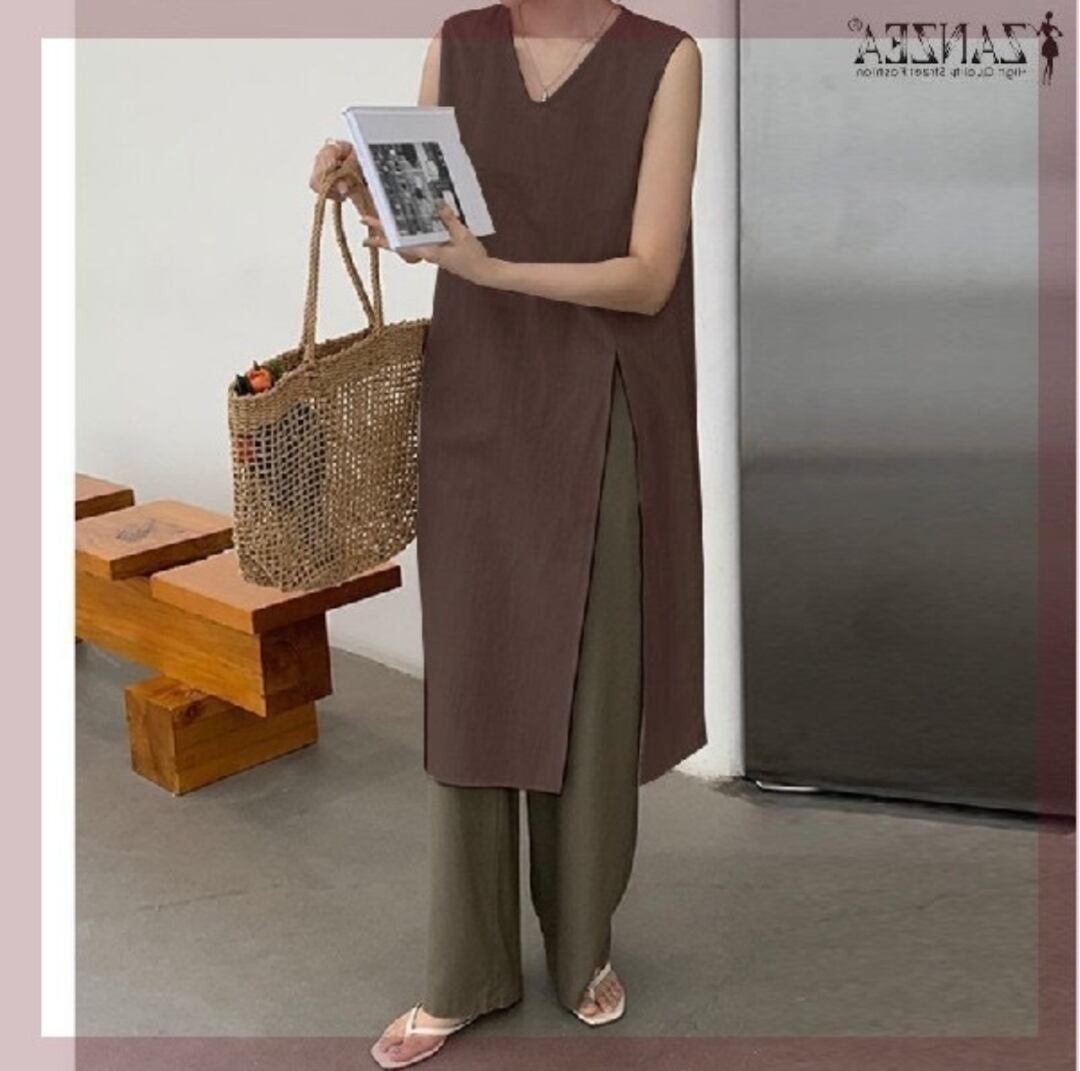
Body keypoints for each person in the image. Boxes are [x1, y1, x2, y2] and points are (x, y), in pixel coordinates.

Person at [309, 2, 705, 1066]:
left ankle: (581, 944)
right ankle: (465, 969)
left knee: (592, 673)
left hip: (605, 389)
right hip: (478, 385)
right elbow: (426, 230)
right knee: (475, 675)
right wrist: (365, 196)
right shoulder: (458, 43)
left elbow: (649, 275)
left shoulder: (666, 59)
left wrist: (492, 272)